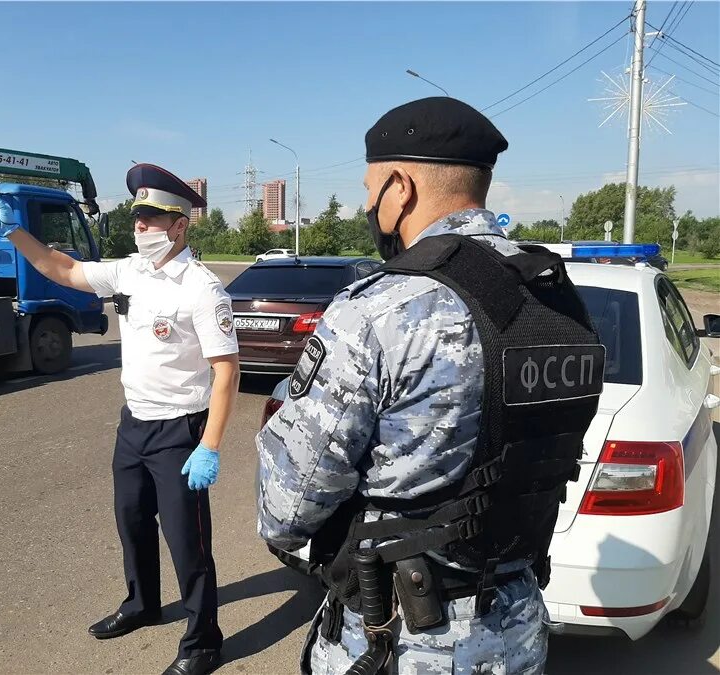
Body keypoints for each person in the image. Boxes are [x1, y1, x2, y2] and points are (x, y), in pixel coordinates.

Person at [256, 97, 604, 674]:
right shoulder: (559, 299)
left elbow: (286, 510)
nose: (369, 204)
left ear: (400, 187)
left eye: (371, 190)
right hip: (517, 630)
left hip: (402, 642)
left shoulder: (380, 310)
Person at [0, 163, 240, 675]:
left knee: (188, 545)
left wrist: (209, 446)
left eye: (151, 217)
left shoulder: (203, 288)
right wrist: (15, 233)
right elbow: (62, 269)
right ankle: (142, 603)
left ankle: (202, 643)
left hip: (179, 433)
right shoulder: (128, 271)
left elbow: (226, 372)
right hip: (134, 426)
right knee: (132, 523)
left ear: (179, 225)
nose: (140, 226)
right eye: (137, 217)